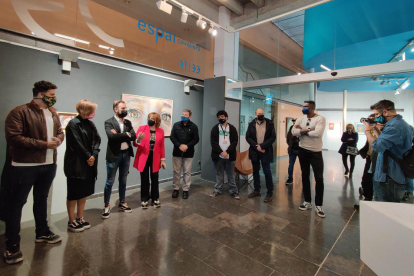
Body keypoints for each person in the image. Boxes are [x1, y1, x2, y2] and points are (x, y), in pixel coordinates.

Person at [4, 81, 64, 265]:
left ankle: (42, 232)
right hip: (24, 165)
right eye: (51, 94)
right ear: (40, 94)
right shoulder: (19, 112)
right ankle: (12, 245)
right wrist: (45, 144)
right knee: (17, 203)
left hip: (48, 164)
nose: (53, 97)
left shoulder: (53, 113)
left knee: (41, 199)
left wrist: (59, 140)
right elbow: (14, 138)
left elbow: (60, 132)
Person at [363, 100, 413, 203]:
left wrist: (367, 131)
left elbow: (377, 147)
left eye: (377, 114)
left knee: (385, 211)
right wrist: (376, 130)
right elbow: (386, 145)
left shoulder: (394, 127)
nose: (376, 117)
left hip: (390, 178)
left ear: (385, 112)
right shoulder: (400, 124)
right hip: (389, 176)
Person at [64, 100, 101, 232]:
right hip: (76, 163)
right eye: (92, 110)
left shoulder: (90, 124)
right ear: (85, 110)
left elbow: (97, 139)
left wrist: (94, 155)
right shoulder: (73, 124)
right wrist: (88, 156)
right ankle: (71, 220)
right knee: (74, 192)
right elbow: (76, 143)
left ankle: (80, 217)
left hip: (89, 162)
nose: (94, 113)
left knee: (84, 191)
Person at [102, 100, 137, 219]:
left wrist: (122, 135)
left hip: (126, 155)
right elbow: (111, 137)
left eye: (125, 108)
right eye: (122, 108)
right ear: (115, 109)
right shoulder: (109, 122)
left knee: (123, 180)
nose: (125, 110)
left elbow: (134, 136)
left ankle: (122, 202)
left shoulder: (128, 122)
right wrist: (126, 134)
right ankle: (106, 205)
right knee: (110, 181)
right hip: (114, 156)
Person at [292, 101, 326, 218]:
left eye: (305, 106)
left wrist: (302, 130)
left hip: (316, 152)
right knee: (305, 176)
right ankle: (307, 201)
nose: (303, 108)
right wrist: (309, 129)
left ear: (312, 108)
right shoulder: (301, 118)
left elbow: (318, 133)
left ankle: (319, 204)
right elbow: (293, 132)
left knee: (319, 178)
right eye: (303, 106)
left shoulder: (320, 119)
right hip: (303, 150)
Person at [133, 113, 166, 209]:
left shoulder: (160, 131)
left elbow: (161, 146)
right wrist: (138, 139)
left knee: (155, 178)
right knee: (144, 178)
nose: (150, 120)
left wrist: (162, 160)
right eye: (149, 118)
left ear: (157, 121)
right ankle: (144, 198)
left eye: (152, 118)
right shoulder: (142, 128)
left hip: (155, 157)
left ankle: (155, 198)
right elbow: (135, 144)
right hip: (144, 156)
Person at [246, 108, 276, 203]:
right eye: (259, 113)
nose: (261, 115)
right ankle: (257, 190)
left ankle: (269, 193)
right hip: (255, 151)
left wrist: (262, 146)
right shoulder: (251, 124)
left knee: (267, 171)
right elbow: (248, 137)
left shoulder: (270, 123)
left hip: (265, 150)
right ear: (255, 114)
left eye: (262, 113)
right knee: (255, 171)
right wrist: (257, 146)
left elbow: (273, 137)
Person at [209, 110, 240, 199]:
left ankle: (234, 191)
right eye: (219, 117)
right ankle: (217, 190)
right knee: (219, 173)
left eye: (222, 117)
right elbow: (213, 142)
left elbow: (235, 141)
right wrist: (221, 152)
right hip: (218, 156)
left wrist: (227, 152)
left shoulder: (232, 128)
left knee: (231, 174)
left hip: (230, 155)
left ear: (226, 117)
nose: (220, 118)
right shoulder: (215, 128)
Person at [170, 109, 199, 199]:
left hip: (188, 153)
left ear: (189, 116)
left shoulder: (194, 126)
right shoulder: (176, 125)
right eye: (182, 114)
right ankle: (176, 189)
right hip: (177, 152)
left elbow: (196, 139)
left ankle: (185, 190)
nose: (183, 116)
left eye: (185, 115)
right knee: (176, 172)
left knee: (187, 172)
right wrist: (179, 145)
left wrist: (187, 146)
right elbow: (172, 137)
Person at [286, 119, 299, 185]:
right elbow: (288, 139)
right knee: (291, 165)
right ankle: (290, 178)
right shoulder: (291, 129)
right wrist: (291, 144)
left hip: (300, 150)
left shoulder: (302, 130)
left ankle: (305, 180)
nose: (294, 123)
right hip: (292, 150)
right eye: (294, 122)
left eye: (296, 122)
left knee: (303, 166)